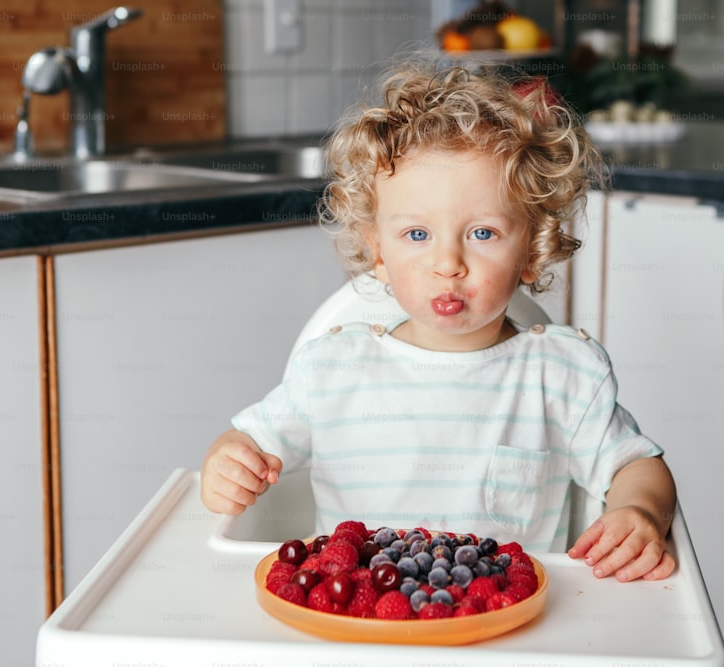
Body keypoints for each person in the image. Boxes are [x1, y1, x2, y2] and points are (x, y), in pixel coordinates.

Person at [201, 59, 676, 583]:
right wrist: (229, 462)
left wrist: (640, 512)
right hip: (358, 630)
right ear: (377, 252)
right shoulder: (330, 370)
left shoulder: (563, 376)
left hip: (508, 632)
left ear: (533, 251)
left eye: (483, 233)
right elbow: (247, 444)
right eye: (418, 235)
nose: (448, 262)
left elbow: (638, 466)